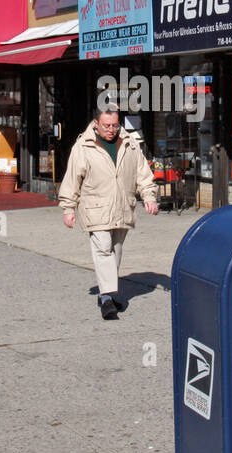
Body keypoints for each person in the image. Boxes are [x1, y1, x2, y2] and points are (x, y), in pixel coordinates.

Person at [58, 108, 159, 320]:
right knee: (103, 248)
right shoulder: (84, 146)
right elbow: (72, 178)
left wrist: (149, 196)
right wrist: (68, 207)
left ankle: (108, 292)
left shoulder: (129, 143)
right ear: (96, 123)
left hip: (122, 207)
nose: (111, 130)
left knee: (116, 250)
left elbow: (143, 173)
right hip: (95, 208)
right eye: (106, 126)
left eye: (115, 125)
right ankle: (107, 299)